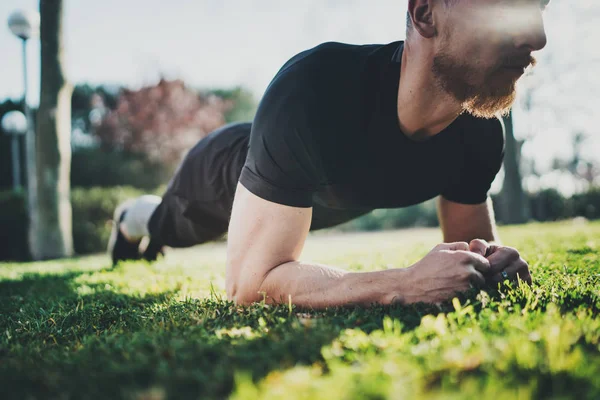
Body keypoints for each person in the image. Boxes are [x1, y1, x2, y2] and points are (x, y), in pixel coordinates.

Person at [108, 0, 549, 308]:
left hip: (310, 197)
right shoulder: (314, 92)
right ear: (424, 12)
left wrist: (492, 265)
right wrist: (403, 283)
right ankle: (131, 217)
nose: (538, 37)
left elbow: (471, 249)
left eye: (540, 8)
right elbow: (248, 286)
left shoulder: (479, 135)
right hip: (221, 177)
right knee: (166, 225)